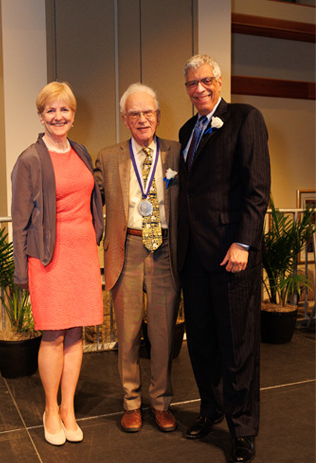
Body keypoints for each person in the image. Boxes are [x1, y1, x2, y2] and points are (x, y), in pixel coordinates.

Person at [178, 55, 270, 463]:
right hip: (193, 258)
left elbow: (256, 189)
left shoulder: (245, 119)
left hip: (232, 254)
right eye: (191, 83)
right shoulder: (185, 130)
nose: (198, 88)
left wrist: (244, 244)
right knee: (200, 341)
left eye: (205, 81)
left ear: (219, 81)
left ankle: (243, 429)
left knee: (238, 345)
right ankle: (211, 409)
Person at [11, 81, 104, 446]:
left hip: (82, 254)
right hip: (48, 257)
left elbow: (91, 197)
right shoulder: (30, 159)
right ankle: (50, 409)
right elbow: (19, 222)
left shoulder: (80, 150)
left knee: (76, 331)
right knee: (53, 333)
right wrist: (22, 272)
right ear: (40, 115)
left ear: (73, 114)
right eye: (50, 110)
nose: (58, 116)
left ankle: (69, 409)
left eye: (64, 109)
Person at [94, 83, 180, 433]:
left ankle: (161, 403)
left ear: (157, 116)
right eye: (134, 114)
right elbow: (87, 200)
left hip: (165, 250)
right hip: (127, 248)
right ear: (125, 120)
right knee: (127, 334)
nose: (142, 119)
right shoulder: (108, 156)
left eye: (148, 112)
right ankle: (131, 403)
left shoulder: (177, 153)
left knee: (162, 335)